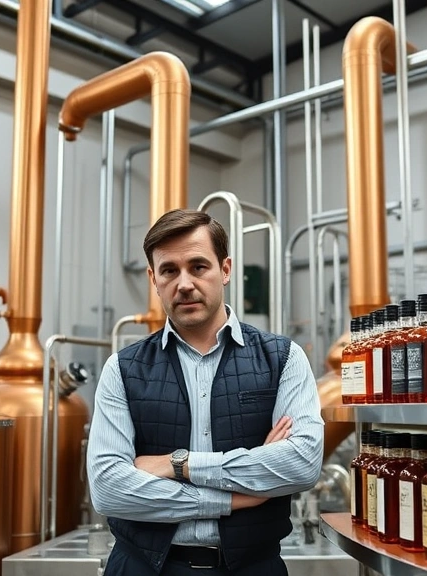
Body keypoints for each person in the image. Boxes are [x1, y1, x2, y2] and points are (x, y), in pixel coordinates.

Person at [87, 209, 324, 576]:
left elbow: (301, 464)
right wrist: (235, 498)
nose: (184, 283)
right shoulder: (122, 368)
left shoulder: (282, 358)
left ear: (225, 270)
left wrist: (177, 464)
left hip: (250, 568)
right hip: (144, 568)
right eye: (169, 270)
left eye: (198, 266)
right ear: (154, 278)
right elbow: (108, 488)